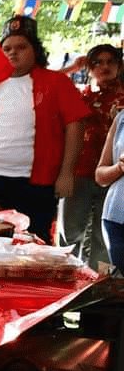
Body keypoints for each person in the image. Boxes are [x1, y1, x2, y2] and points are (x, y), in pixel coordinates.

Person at [0, 16, 89, 243]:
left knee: (33, 246)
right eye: (6, 48)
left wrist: (66, 173)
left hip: (33, 185)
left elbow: (75, 125)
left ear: (35, 50)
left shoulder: (56, 82)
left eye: (21, 47)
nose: (13, 53)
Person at [60, 44, 124, 270]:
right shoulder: (81, 96)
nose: (105, 66)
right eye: (98, 62)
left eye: (111, 61)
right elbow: (47, 84)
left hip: (115, 177)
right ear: (90, 67)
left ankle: (99, 289)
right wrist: (72, 68)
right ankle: (65, 277)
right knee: (70, 231)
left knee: (102, 237)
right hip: (81, 172)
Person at [94, 111, 124, 270]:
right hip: (116, 219)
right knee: (117, 287)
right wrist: (119, 167)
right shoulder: (121, 118)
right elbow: (100, 176)